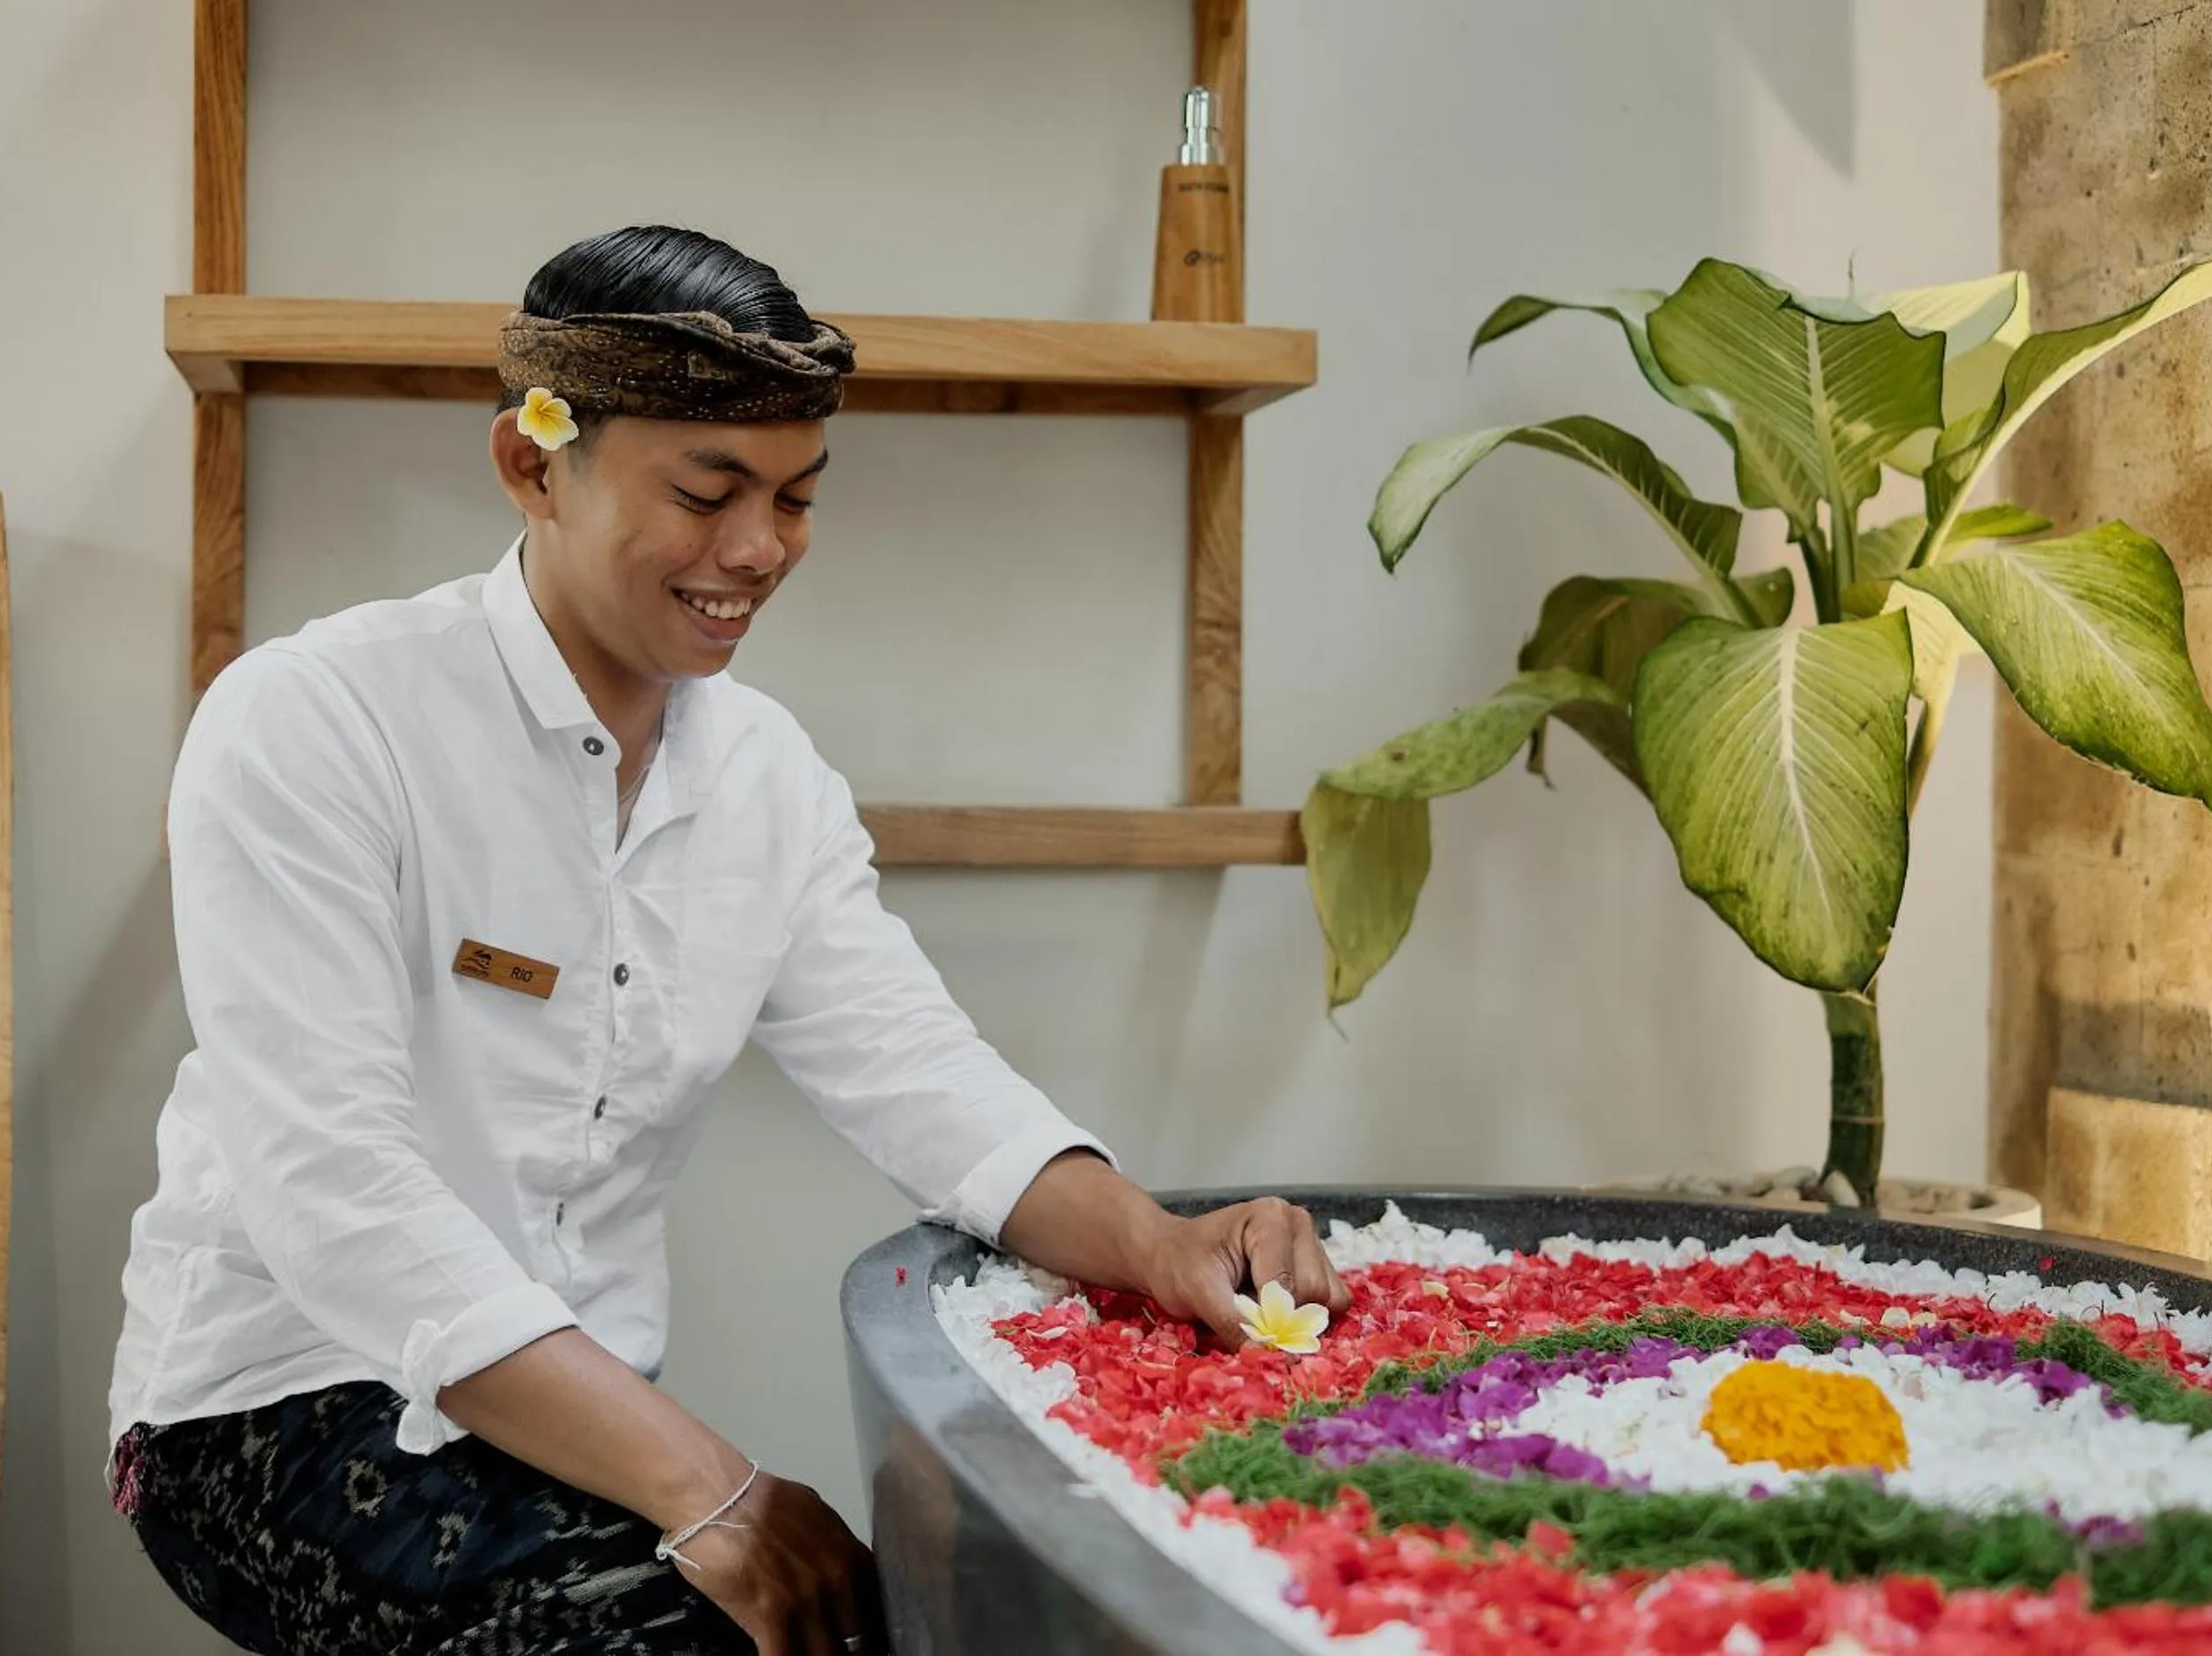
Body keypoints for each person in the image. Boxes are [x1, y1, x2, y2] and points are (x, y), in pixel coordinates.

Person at [106, 224, 1350, 1656]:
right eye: (709, 492)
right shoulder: (315, 719)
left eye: (798, 497)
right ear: (532, 462)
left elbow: (919, 1073)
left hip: (581, 1416)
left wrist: (1159, 1237)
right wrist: (713, 1482)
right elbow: (337, 1194)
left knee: (909, 1619)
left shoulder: (766, 776)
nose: (758, 550)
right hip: (274, 1402)